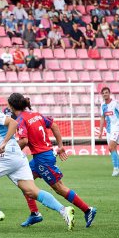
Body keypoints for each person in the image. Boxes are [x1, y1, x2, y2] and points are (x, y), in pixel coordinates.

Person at [0, 88, 75, 229]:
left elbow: (13, 124)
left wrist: (3, 143)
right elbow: (1, 138)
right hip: (18, 157)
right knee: (31, 191)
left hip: (9, 155)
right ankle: (64, 210)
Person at [7, 93, 97, 228]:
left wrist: (11, 152)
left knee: (59, 188)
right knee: (23, 182)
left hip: (43, 159)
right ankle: (35, 214)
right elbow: (54, 126)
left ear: (12, 106)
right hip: (42, 157)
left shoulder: (21, 119)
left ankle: (88, 210)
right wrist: (60, 146)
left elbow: (24, 140)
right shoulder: (36, 115)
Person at [98, 87, 119, 177]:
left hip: (117, 128)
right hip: (109, 130)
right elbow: (102, 117)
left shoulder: (115, 103)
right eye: (103, 93)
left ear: (109, 93)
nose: (105, 94)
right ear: (102, 95)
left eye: (106, 92)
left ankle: (115, 168)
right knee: (113, 149)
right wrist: (100, 131)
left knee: (110, 147)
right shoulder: (102, 105)